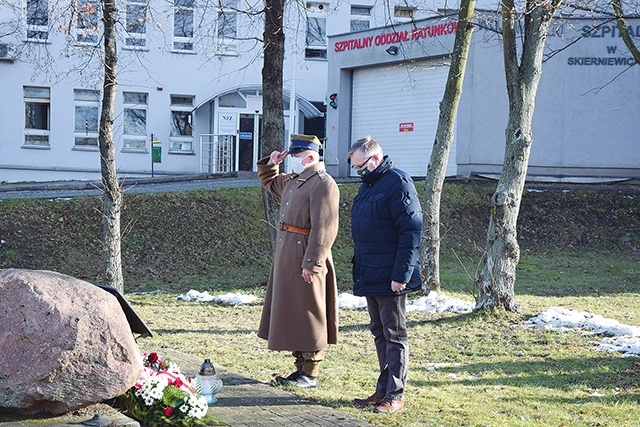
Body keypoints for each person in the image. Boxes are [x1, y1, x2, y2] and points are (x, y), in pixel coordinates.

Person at [256, 134, 340, 389]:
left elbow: (325, 229)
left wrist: (313, 263)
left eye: (296, 156)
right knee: (294, 310)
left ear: (311, 157)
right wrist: (273, 163)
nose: (292, 160)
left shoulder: (323, 184)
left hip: (306, 254)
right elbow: (269, 181)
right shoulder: (295, 181)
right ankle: (299, 369)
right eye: (291, 155)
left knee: (310, 311)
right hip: (288, 254)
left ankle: (310, 372)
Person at [349, 135, 423, 413]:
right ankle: (382, 390)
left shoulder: (398, 183)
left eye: (360, 166)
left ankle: (396, 395)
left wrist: (402, 274)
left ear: (375, 159)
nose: (358, 171)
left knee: (394, 334)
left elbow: (411, 230)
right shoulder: (369, 186)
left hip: (392, 276)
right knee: (379, 332)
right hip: (370, 273)